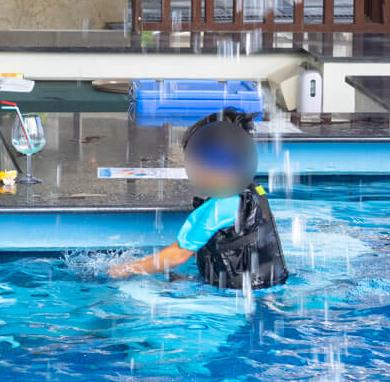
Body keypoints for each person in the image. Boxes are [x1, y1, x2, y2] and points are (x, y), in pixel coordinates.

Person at [109, 109, 289, 290]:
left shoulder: (218, 208)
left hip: (238, 299)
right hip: (270, 288)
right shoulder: (252, 190)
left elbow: (178, 255)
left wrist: (124, 270)